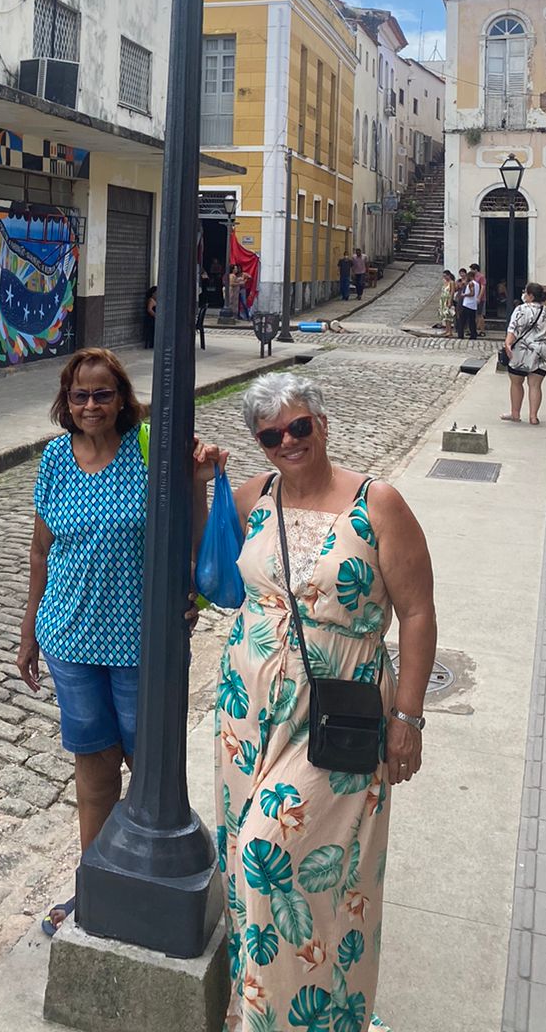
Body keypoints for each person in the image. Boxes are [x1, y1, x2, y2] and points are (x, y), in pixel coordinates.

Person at [196, 372, 436, 1032]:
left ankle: (297, 1018)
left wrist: (407, 718)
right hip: (247, 709)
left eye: (299, 426)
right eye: (271, 435)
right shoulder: (252, 496)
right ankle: (262, 1007)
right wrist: (197, 484)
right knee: (251, 864)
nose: (287, 442)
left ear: (322, 424)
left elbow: (417, 613)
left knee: (271, 854)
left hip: (338, 714)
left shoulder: (377, 504)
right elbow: (208, 569)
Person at [16, 346, 203, 937]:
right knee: (93, 765)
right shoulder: (55, 459)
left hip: (139, 643)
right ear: (66, 402)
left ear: (122, 398)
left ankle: (149, 878)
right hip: (69, 638)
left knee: (150, 766)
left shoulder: (147, 452)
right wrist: (28, 627)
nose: (91, 405)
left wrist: (190, 583)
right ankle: (93, 882)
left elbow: (187, 529)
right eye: (80, 395)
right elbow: (42, 549)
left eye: (102, 394)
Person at [502, 281, 546, 424]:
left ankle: (515, 414)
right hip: (543, 350)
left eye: (525, 292)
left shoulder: (521, 309)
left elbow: (513, 328)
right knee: (535, 385)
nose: (524, 294)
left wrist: (508, 343)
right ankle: (533, 416)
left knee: (516, 383)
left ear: (530, 295)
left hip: (523, 351)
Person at [457, 266, 480, 340]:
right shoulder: (477, 284)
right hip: (473, 305)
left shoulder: (471, 283)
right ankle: (473, 334)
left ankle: (460, 334)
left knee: (462, 320)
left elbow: (472, 293)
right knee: (472, 321)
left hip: (467, 304)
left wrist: (464, 295)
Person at [470, 263, 487, 338]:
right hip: (473, 298)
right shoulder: (473, 277)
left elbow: (483, 287)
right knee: (475, 315)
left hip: (480, 298)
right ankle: (475, 329)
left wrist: (479, 297)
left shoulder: (481, 277)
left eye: (472, 269)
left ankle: (482, 330)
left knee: (480, 314)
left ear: (476, 270)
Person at [437, 269, 455, 337]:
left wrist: (450, 301)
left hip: (447, 299)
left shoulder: (451, 282)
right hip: (443, 300)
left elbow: (452, 292)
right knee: (444, 316)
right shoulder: (445, 282)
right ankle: (447, 330)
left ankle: (450, 331)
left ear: (449, 275)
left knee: (448, 316)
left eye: (445, 276)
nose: (444, 277)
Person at [143, 285, 157, 350]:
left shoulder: (156, 300)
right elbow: (149, 309)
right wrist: (155, 315)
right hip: (151, 319)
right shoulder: (151, 300)